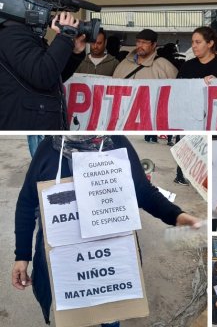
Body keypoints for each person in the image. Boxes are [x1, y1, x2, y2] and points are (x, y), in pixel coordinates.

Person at [11, 136, 200, 327]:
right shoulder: (48, 149)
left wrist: (177, 216)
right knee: (69, 315)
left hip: (110, 267)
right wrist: (22, 255)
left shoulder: (117, 144)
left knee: (110, 317)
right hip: (63, 264)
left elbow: (143, 192)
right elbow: (26, 204)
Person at [0, 8, 86, 130]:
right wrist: (66, 36)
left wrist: (73, 53)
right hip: (24, 128)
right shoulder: (11, 35)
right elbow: (43, 75)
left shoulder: (27, 36)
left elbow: (54, 76)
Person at [113, 29, 178, 79]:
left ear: (154, 45)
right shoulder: (123, 64)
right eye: (138, 42)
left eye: (145, 42)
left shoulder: (164, 66)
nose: (140, 45)